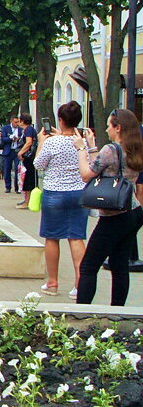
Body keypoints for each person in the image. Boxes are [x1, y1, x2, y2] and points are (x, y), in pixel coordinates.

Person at [74, 109, 143, 305]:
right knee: (119, 265)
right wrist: (93, 147)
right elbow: (107, 167)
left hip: (113, 214)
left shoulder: (111, 150)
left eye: (109, 125)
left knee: (88, 266)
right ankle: (118, 312)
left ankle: (82, 313)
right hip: (133, 210)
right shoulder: (136, 147)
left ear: (118, 128)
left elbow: (87, 174)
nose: (106, 129)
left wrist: (81, 149)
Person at [34, 102, 88, 297]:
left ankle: (53, 283)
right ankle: (80, 284)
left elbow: (38, 164)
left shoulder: (52, 142)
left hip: (54, 193)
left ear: (60, 120)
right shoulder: (82, 142)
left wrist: (41, 142)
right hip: (78, 192)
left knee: (52, 237)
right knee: (76, 237)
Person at [17, 113, 38, 209]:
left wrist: (20, 152)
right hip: (29, 158)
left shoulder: (28, 130)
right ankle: (26, 200)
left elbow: (29, 142)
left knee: (28, 179)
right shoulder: (28, 130)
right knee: (25, 178)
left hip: (29, 158)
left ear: (22, 121)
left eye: (19, 120)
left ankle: (27, 202)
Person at [0, 116, 22, 194]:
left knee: (17, 168)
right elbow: (3, 138)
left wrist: (19, 138)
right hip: (8, 151)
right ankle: (8, 187)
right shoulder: (6, 128)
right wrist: (10, 138)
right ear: (11, 121)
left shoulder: (20, 129)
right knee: (7, 169)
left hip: (17, 151)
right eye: (16, 122)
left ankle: (17, 187)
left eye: (18, 122)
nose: (17, 124)